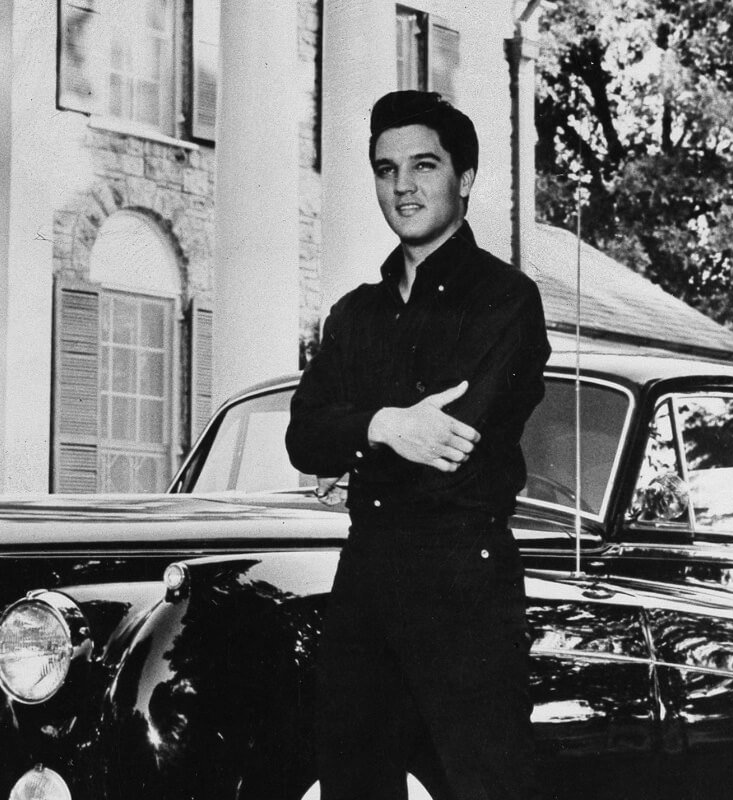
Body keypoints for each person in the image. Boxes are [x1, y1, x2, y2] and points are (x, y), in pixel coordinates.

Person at [285, 90, 550, 800]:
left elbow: (456, 442)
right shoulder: (353, 313)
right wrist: (385, 424)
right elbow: (303, 437)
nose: (402, 185)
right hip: (364, 578)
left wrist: (355, 425)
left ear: (464, 178)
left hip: (463, 582)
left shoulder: (506, 299)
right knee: (353, 786)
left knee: (483, 786)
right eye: (385, 168)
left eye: (423, 165)